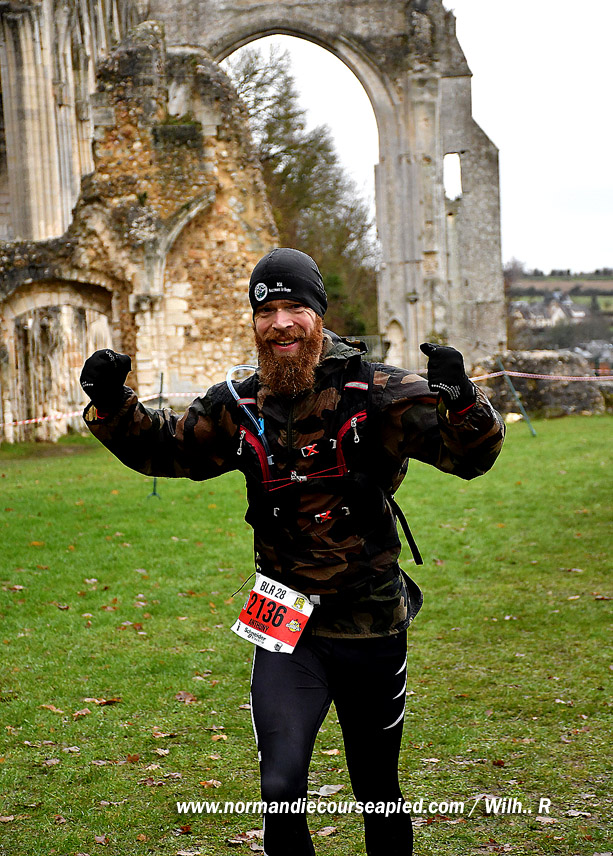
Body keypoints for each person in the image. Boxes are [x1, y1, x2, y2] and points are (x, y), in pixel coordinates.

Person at [80, 247, 505, 856]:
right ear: (254, 321)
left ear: (318, 313)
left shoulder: (378, 391)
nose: (280, 323)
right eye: (266, 311)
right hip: (281, 615)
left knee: (377, 790)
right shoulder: (239, 402)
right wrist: (111, 401)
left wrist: (460, 397)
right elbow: (170, 449)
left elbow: (473, 456)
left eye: (294, 308)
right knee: (279, 789)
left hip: (368, 619)